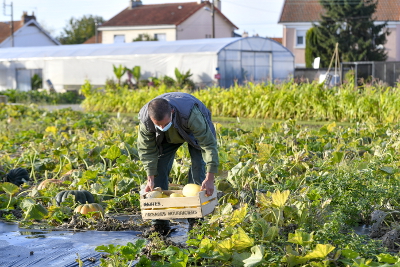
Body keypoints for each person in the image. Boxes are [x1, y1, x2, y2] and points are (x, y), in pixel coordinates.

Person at [137, 92, 219, 235]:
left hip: (192, 132)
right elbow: (147, 150)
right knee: (159, 167)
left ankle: (195, 221)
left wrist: (210, 177)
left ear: (172, 112)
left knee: (198, 168)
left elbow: (208, 145)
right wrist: (150, 177)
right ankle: (159, 224)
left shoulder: (192, 115)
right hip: (167, 138)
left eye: (165, 124)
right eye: (158, 125)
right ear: (151, 119)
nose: (162, 126)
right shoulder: (146, 121)